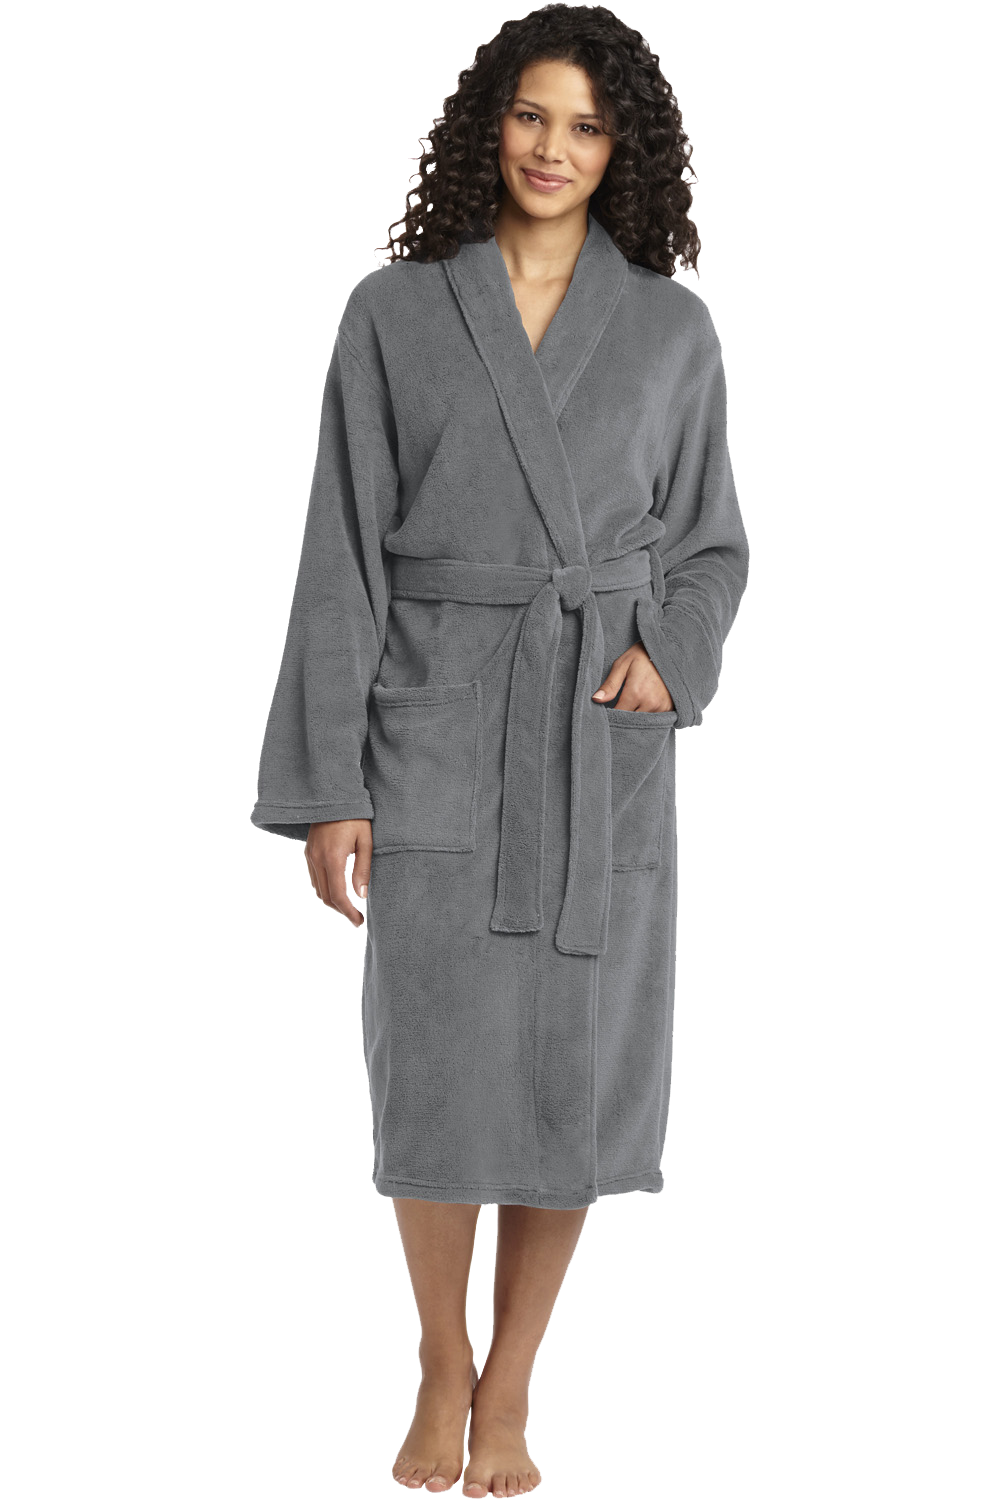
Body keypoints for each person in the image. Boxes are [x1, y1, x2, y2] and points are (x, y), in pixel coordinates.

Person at [250, 4, 750, 1493]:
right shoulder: (394, 313)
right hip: (437, 726)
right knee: (440, 1065)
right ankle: (439, 1353)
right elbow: (341, 556)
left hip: (595, 736)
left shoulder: (671, 330)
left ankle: (515, 1380)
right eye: (532, 115)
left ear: (623, 152)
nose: (553, 149)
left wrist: (672, 658)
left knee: (567, 1075)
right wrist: (328, 781)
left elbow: (713, 545)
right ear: (491, 122)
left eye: (587, 127)